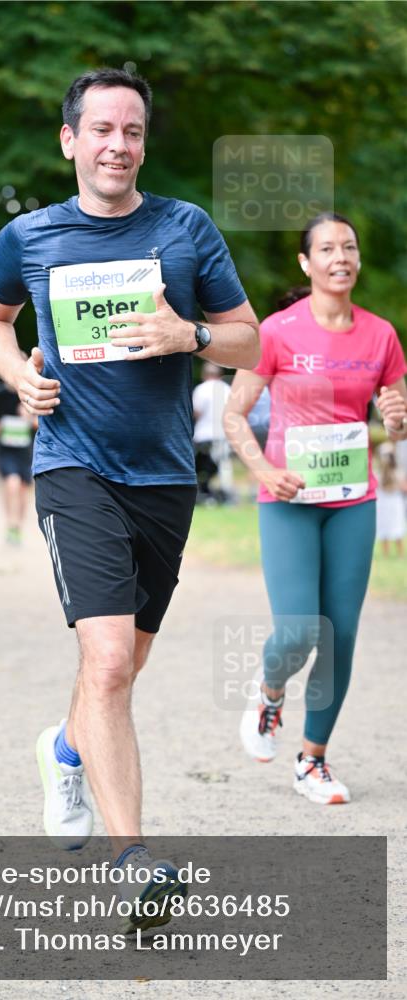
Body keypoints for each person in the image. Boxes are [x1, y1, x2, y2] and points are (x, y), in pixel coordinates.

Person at [0, 67, 259, 929]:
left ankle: (63, 751)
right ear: (69, 140)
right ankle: (134, 862)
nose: (116, 146)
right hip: (71, 468)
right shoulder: (28, 235)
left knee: (122, 667)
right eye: (100, 129)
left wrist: (191, 334)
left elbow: (247, 341)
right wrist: (19, 372)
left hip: (165, 476)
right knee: (103, 664)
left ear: (143, 142)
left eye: (130, 131)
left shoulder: (184, 228)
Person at [224, 212, 407, 805]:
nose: (341, 256)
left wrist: (398, 422)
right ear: (306, 263)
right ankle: (270, 690)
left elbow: (393, 418)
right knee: (301, 629)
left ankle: (312, 760)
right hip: (289, 499)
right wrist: (265, 471)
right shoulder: (275, 332)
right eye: (327, 248)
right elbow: (234, 414)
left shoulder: (380, 335)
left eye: (349, 246)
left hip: (353, 500)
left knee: (342, 634)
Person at [0, 379, 36, 545]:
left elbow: (44, 421)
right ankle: (10, 523)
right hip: (5, 449)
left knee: (22, 489)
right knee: (11, 483)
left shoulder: (32, 391)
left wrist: (31, 418)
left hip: (27, 450)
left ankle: (17, 526)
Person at [192, 362, 232, 503]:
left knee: (201, 467)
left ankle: (202, 493)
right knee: (224, 465)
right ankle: (227, 495)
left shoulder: (201, 389)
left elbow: (196, 412)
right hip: (224, 433)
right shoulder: (227, 389)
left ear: (205, 374)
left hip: (204, 434)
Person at [375, 442, 405, 557]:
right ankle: (387, 553)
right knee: (385, 525)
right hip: (385, 501)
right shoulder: (380, 472)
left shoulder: (397, 471)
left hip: (393, 500)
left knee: (396, 525)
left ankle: (399, 553)